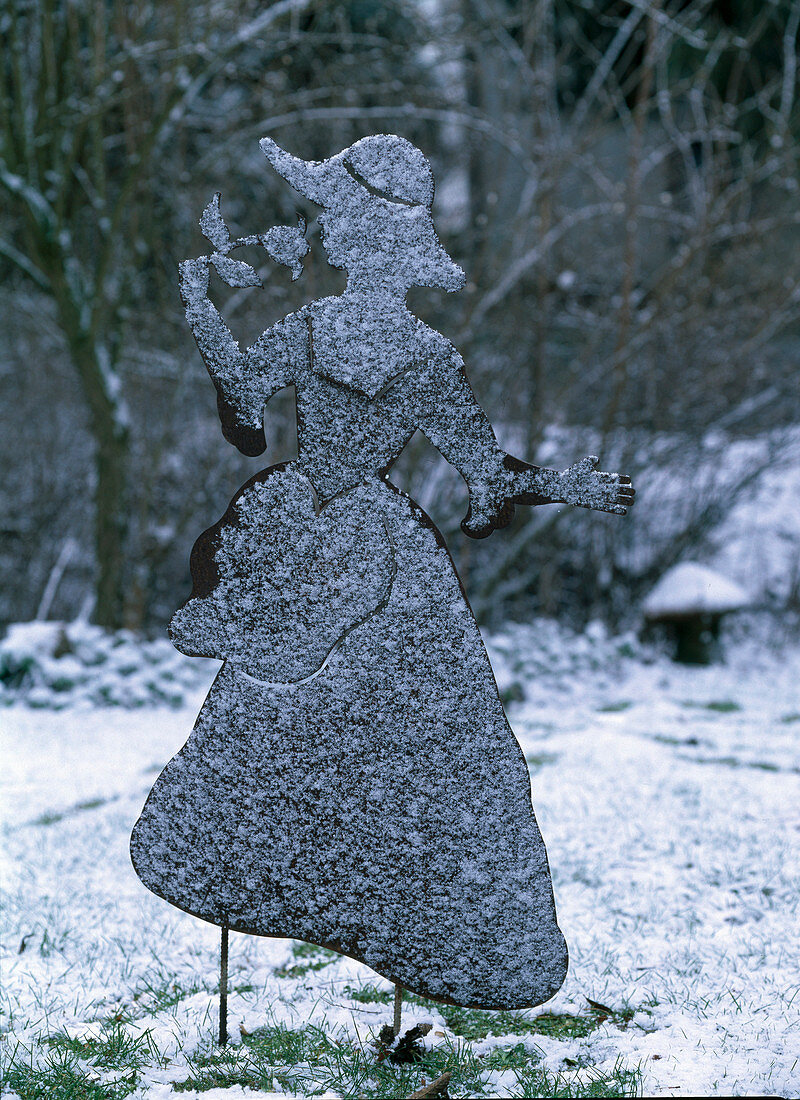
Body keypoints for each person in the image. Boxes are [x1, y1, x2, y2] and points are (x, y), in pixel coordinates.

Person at [131, 135, 633, 1009]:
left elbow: (245, 407)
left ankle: (326, 896)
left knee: (294, 725)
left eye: (331, 214)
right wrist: (564, 486)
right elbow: (488, 475)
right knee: (409, 744)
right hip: (379, 543)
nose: (320, 229)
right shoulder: (422, 353)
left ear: (358, 235)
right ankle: (377, 904)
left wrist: (203, 309)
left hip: (303, 530)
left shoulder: (316, 329)